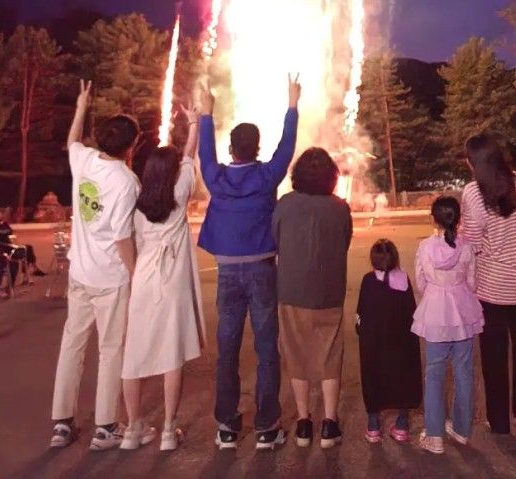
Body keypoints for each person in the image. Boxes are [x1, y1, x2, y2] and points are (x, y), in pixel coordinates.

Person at [199, 74, 301, 452]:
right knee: (266, 348)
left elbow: (205, 155)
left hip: (227, 272)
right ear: (256, 148)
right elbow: (287, 149)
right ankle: (266, 427)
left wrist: (205, 116)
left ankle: (227, 426)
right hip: (261, 269)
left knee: (227, 349)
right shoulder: (265, 176)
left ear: (232, 148)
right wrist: (292, 106)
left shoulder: (217, 177)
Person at [50, 80, 141, 451]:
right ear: (131, 146)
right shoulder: (126, 182)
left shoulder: (84, 160)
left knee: (72, 344)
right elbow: (122, 237)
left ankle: (61, 423)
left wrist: (81, 107)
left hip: (80, 272)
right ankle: (105, 427)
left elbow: (73, 141)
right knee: (111, 349)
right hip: (109, 277)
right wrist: (138, 276)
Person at [120, 96, 206, 452]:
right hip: (172, 282)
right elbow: (188, 156)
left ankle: (132, 430)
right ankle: (169, 429)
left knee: (133, 357)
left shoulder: (138, 204)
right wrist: (195, 123)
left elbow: (125, 240)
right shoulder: (179, 192)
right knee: (171, 356)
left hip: (143, 280)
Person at [461, 134, 516, 435]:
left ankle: (499, 421)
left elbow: (471, 242)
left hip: (491, 288)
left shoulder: (474, 193)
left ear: (473, 163)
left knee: (494, 358)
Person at [272, 147, 353, 450]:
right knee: (330, 355)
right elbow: (344, 243)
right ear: (331, 177)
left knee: (297, 354)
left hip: (292, 290)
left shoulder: (285, 204)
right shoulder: (340, 208)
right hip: (329, 291)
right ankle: (330, 423)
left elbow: (276, 240)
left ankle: (304, 422)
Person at [412, 196, 484, 455]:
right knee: (464, 372)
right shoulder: (467, 247)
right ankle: (462, 430)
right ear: (458, 218)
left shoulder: (424, 247)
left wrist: (436, 292)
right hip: (464, 312)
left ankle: (434, 435)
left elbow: (420, 281)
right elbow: (473, 283)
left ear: (434, 218)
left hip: (436, 313)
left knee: (434, 374)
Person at [356, 238, 422, 444]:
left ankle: (373, 425)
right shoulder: (403, 280)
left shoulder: (368, 281)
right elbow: (412, 312)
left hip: (373, 343)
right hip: (401, 343)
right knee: (404, 378)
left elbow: (360, 314)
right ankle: (401, 424)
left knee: (373, 378)